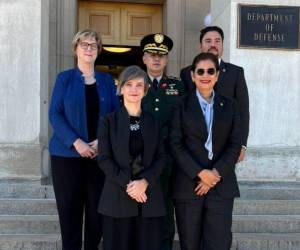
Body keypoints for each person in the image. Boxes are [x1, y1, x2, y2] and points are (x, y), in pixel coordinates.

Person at [49, 28, 119, 250]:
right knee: (69, 214)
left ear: (98, 50)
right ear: (76, 49)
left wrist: (103, 141)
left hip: (99, 159)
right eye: (84, 44)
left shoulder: (108, 81)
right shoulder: (64, 79)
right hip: (66, 157)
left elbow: (116, 116)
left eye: (93, 45)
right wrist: (76, 142)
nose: (89, 48)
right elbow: (55, 114)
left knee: (96, 215)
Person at [170, 52, 241, 250]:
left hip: (221, 186)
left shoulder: (231, 105)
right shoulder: (180, 105)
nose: (205, 75)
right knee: (190, 244)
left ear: (217, 75)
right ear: (192, 75)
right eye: (200, 71)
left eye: (211, 70)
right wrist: (201, 173)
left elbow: (235, 144)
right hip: (188, 186)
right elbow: (175, 144)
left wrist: (215, 174)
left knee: (218, 244)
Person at [97, 65, 166, 250]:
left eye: (139, 85)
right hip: (117, 199)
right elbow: (104, 158)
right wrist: (129, 185)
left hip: (149, 199)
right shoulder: (108, 122)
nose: (134, 89)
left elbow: (162, 157)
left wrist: (144, 182)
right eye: (129, 84)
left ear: (146, 90)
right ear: (120, 88)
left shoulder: (154, 122)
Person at [140, 33, 186, 250]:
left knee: (167, 208)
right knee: (142, 206)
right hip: (142, 159)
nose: (156, 59)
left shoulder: (179, 86)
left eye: (161, 55)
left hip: (171, 159)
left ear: (167, 60)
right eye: (151, 54)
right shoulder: (134, 85)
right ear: (144, 59)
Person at [180, 26, 249, 162]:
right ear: (201, 45)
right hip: (194, 146)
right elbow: (183, 109)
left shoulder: (236, 73)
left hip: (227, 147)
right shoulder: (187, 73)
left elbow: (243, 110)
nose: (213, 45)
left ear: (222, 45)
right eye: (208, 41)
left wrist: (242, 144)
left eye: (217, 41)